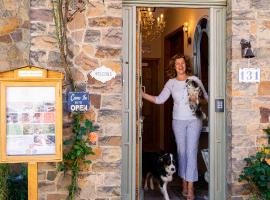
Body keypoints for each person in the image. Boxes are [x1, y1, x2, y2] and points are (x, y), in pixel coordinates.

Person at [142, 54, 208, 200]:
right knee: (182, 152)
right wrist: (141, 94)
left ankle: (190, 187)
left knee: (191, 152)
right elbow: (159, 100)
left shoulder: (194, 80)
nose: (180, 66)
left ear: (186, 65)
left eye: (182, 63)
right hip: (178, 121)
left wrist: (197, 100)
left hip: (194, 120)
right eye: (177, 63)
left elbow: (207, 99)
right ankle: (184, 182)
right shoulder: (171, 83)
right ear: (174, 66)